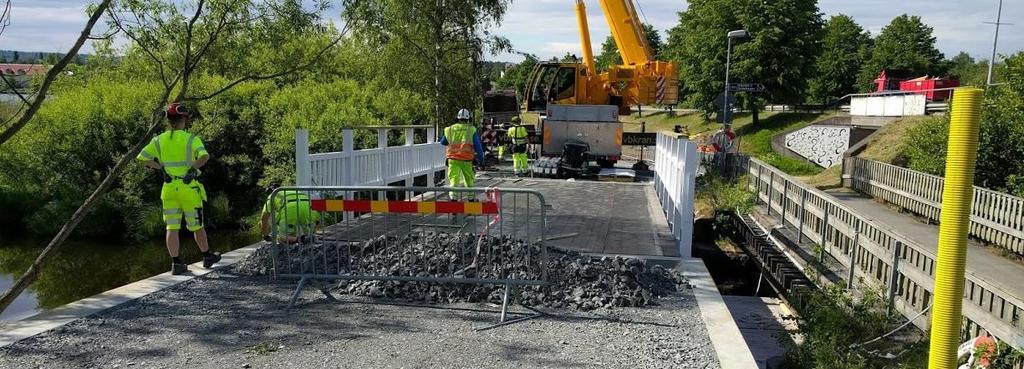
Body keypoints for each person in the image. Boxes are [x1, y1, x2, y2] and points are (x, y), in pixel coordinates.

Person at [136, 102, 220, 275]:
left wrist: (160, 169)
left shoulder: (158, 140)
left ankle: (176, 263)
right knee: (197, 225)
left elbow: (142, 158)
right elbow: (204, 156)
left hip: (169, 189)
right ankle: (207, 256)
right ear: (184, 119)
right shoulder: (191, 139)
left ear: (168, 120)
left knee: (172, 227)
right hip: (188, 189)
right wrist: (193, 169)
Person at [440, 108, 484, 199]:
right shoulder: (471, 130)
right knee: (469, 180)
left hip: (452, 159)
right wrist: (481, 159)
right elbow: (478, 146)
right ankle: (471, 200)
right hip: (466, 160)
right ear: (469, 119)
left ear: (457, 118)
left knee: (453, 180)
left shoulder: (449, 129)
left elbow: (443, 142)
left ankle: (453, 200)